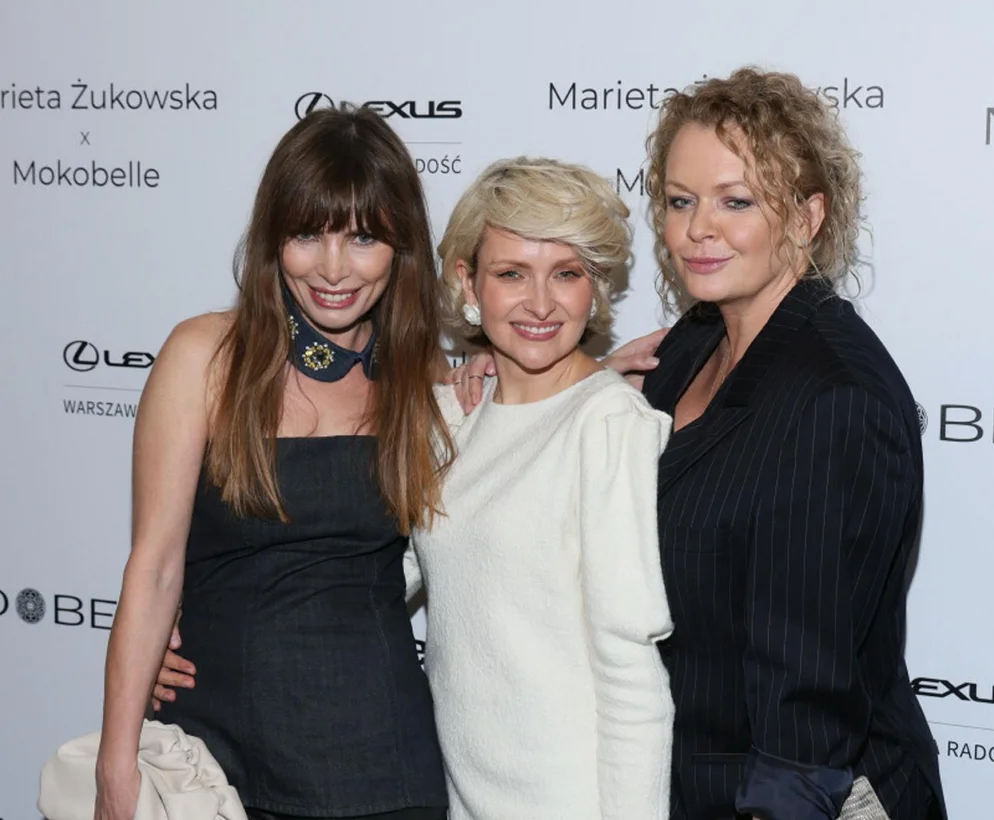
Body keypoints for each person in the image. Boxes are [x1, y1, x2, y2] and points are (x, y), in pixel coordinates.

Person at [156, 157, 677, 819]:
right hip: (455, 787)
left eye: (567, 274)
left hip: (566, 795)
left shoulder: (609, 425)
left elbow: (632, 672)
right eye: (512, 274)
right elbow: (366, 568)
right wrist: (195, 627)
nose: (541, 303)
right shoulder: (454, 414)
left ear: (596, 285)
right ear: (467, 281)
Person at [95, 107, 452, 820]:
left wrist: (589, 379)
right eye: (307, 234)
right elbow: (156, 566)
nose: (332, 269)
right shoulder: (206, 357)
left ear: (401, 248)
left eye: (363, 238)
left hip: (381, 766)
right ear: (272, 239)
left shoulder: (426, 378)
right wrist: (116, 764)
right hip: (212, 760)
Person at [635, 68, 945, 819]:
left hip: (798, 795)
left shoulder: (834, 398)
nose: (698, 228)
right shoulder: (691, 345)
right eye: (680, 201)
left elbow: (805, 700)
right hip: (693, 777)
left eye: (735, 201)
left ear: (807, 217)